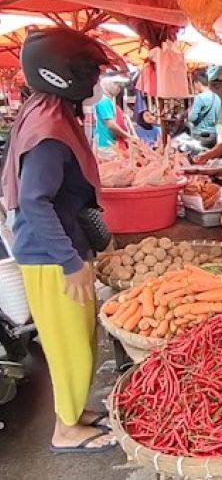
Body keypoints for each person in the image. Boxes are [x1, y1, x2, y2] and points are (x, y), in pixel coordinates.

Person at [0, 27, 125, 453]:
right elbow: (35, 200)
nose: (93, 79)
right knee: (67, 342)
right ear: (61, 74)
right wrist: (70, 262)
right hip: (51, 257)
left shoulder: (49, 111)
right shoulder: (50, 131)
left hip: (60, 249)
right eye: (87, 70)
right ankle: (65, 431)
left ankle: (73, 412)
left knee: (80, 336)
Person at [92, 76, 128, 149]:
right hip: (105, 144)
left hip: (103, 143)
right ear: (108, 84)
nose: (119, 89)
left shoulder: (102, 98)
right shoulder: (104, 100)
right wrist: (128, 136)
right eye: (117, 85)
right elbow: (110, 125)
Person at [188, 70, 221, 147]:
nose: (195, 86)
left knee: (200, 157)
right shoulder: (217, 98)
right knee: (211, 157)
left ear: (198, 83)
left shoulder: (199, 98)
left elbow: (192, 118)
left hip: (200, 135)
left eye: (194, 84)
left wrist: (189, 112)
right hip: (213, 134)